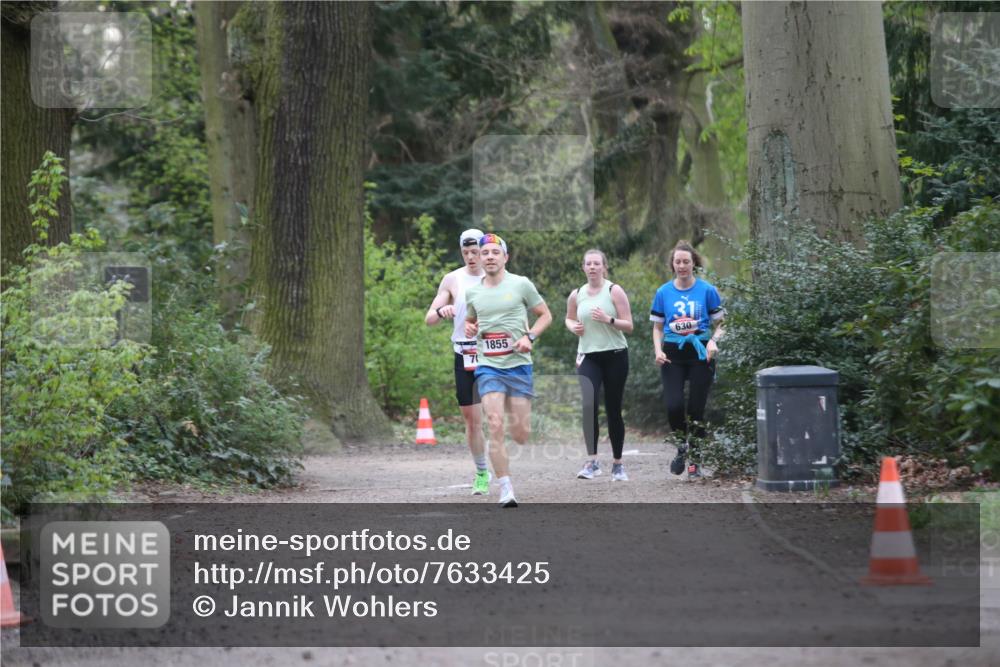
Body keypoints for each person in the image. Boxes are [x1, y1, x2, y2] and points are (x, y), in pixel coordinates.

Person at [464, 233, 552, 507]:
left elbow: (546, 315)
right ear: (479, 258)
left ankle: (519, 434)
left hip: (518, 366)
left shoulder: (521, 284)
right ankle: (506, 488)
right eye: (485, 252)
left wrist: (530, 337)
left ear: (505, 257)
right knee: (494, 423)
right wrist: (470, 327)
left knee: (520, 434)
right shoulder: (474, 291)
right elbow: (471, 320)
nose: (489, 257)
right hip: (488, 366)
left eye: (494, 252)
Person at [649, 240, 725, 479]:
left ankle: (695, 462)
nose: (682, 265)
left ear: (694, 264)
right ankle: (682, 447)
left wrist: (713, 341)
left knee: (696, 409)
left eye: (686, 261)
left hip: (701, 353)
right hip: (672, 353)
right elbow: (657, 327)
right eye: (677, 261)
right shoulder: (663, 292)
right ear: (672, 264)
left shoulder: (707, 290)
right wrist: (658, 350)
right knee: (673, 406)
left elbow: (723, 323)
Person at [425, 229, 489, 496]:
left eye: (476, 252)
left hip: (493, 354)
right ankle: (482, 472)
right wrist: (442, 311)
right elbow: (429, 317)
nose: (471, 258)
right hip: (464, 354)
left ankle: (504, 470)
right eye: (466, 253)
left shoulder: (497, 277)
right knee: (472, 420)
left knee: (495, 416)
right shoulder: (452, 279)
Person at [565, 249, 634, 481]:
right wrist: (572, 326)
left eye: (597, 263)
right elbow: (569, 317)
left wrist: (609, 320)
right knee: (588, 407)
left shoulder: (614, 290)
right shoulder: (577, 294)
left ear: (604, 266)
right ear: (583, 267)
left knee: (613, 409)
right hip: (588, 356)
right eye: (588, 264)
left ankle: (618, 464)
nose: (592, 267)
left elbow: (629, 325)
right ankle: (592, 462)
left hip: (615, 355)